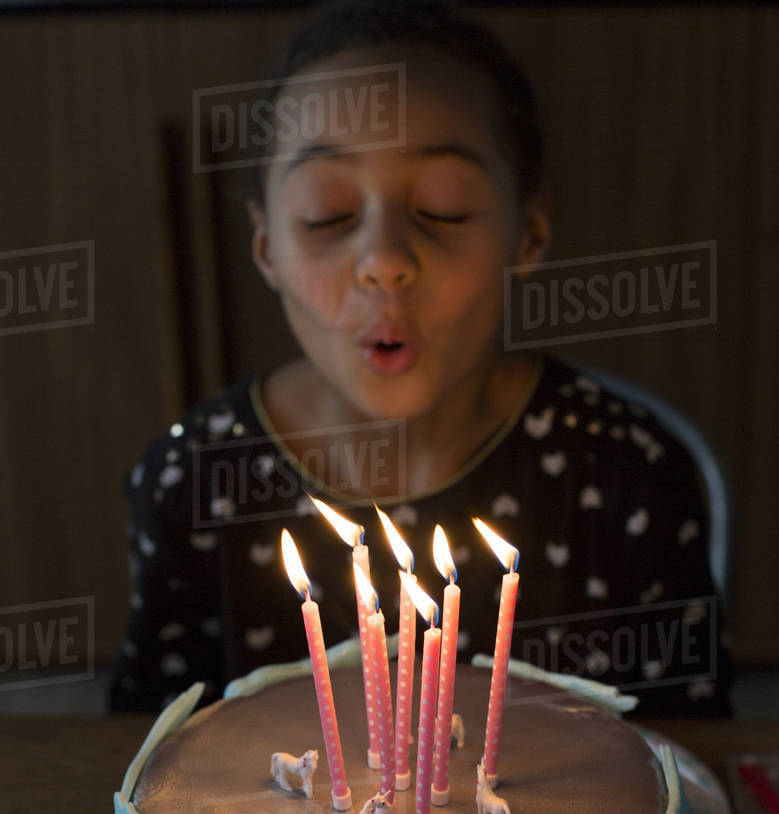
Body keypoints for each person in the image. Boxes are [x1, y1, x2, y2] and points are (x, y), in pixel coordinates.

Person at [110, 0, 732, 718]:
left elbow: (687, 760)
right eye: (325, 214)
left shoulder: (627, 474)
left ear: (527, 233)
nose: (383, 260)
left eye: (443, 208)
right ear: (265, 247)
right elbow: (147, 750)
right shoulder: (194, 482)